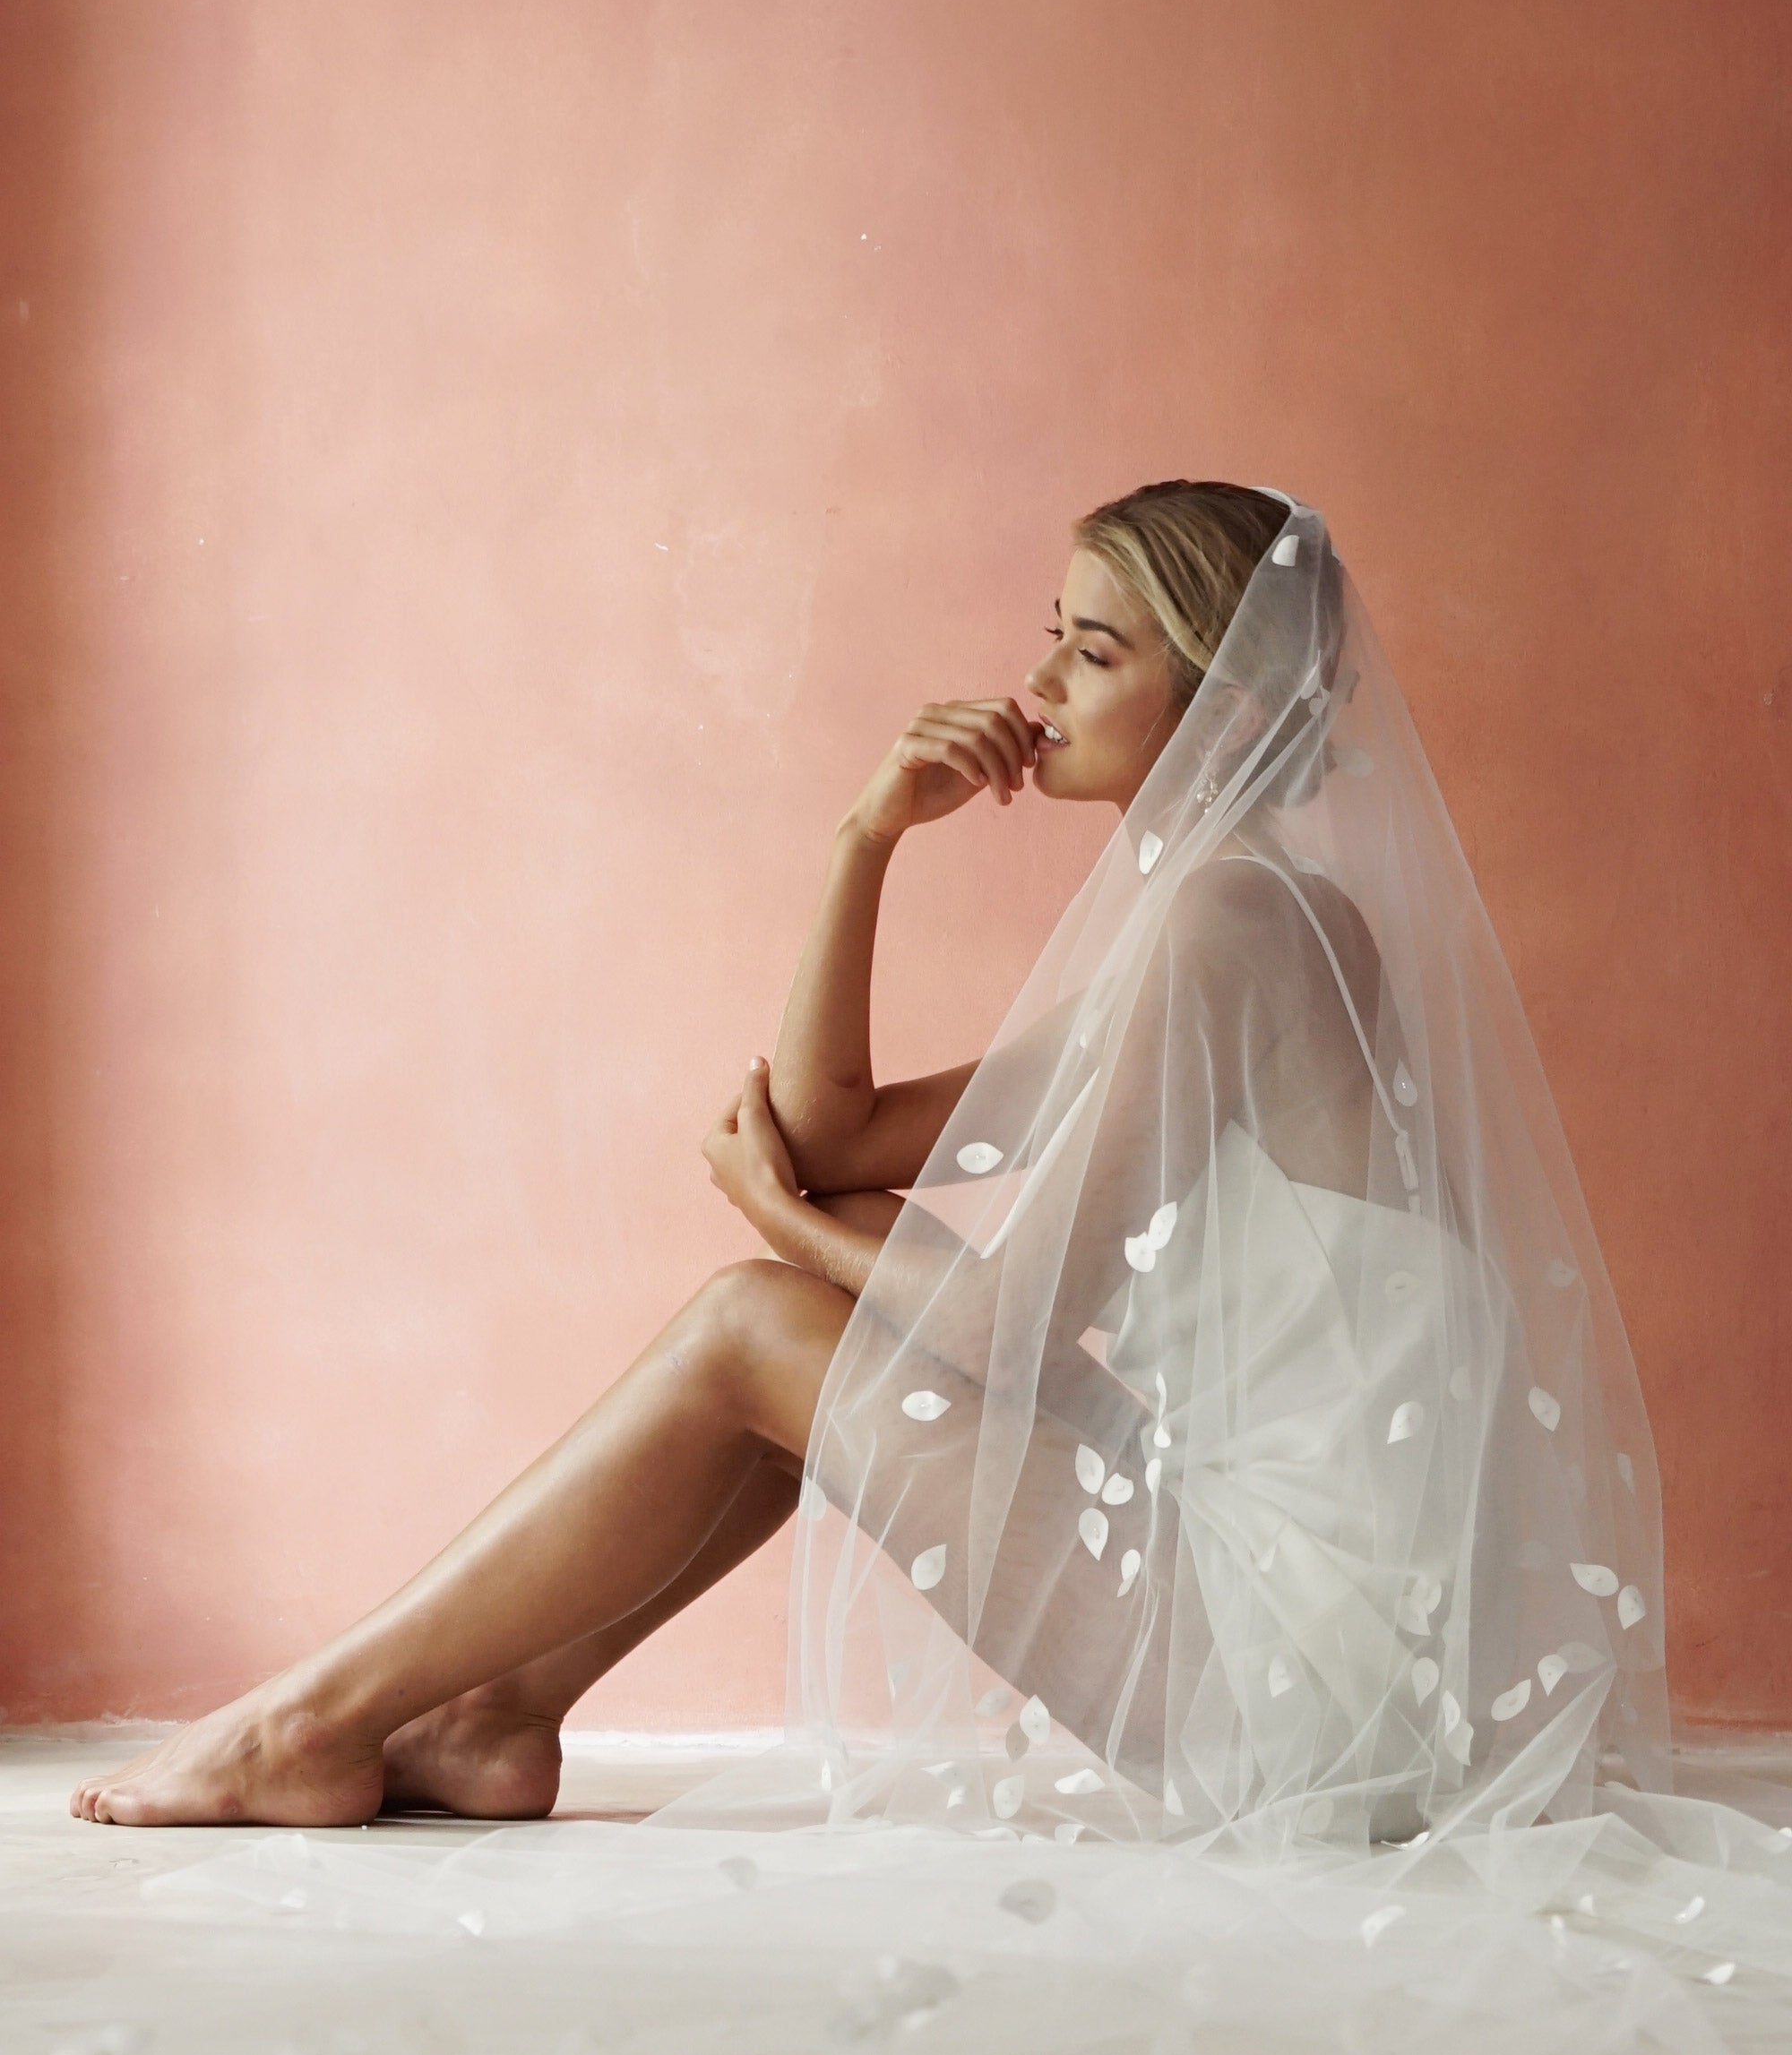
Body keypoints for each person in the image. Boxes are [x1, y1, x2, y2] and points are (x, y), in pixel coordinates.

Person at [73, 483, 1667, 1846]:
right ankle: (494, 1711)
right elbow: (841, 1133)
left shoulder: (1237, 927)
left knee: (752, 1323)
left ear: (1227, 716)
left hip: (1309, 1674)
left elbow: (994, 1325)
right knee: (793, 1317)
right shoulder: (1220, 930)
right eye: (1051, 629)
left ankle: (308, 1720)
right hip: (1291, 1596)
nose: (1037, 681)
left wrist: (778, 1221)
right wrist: (869, 833)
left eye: (1094, 651)